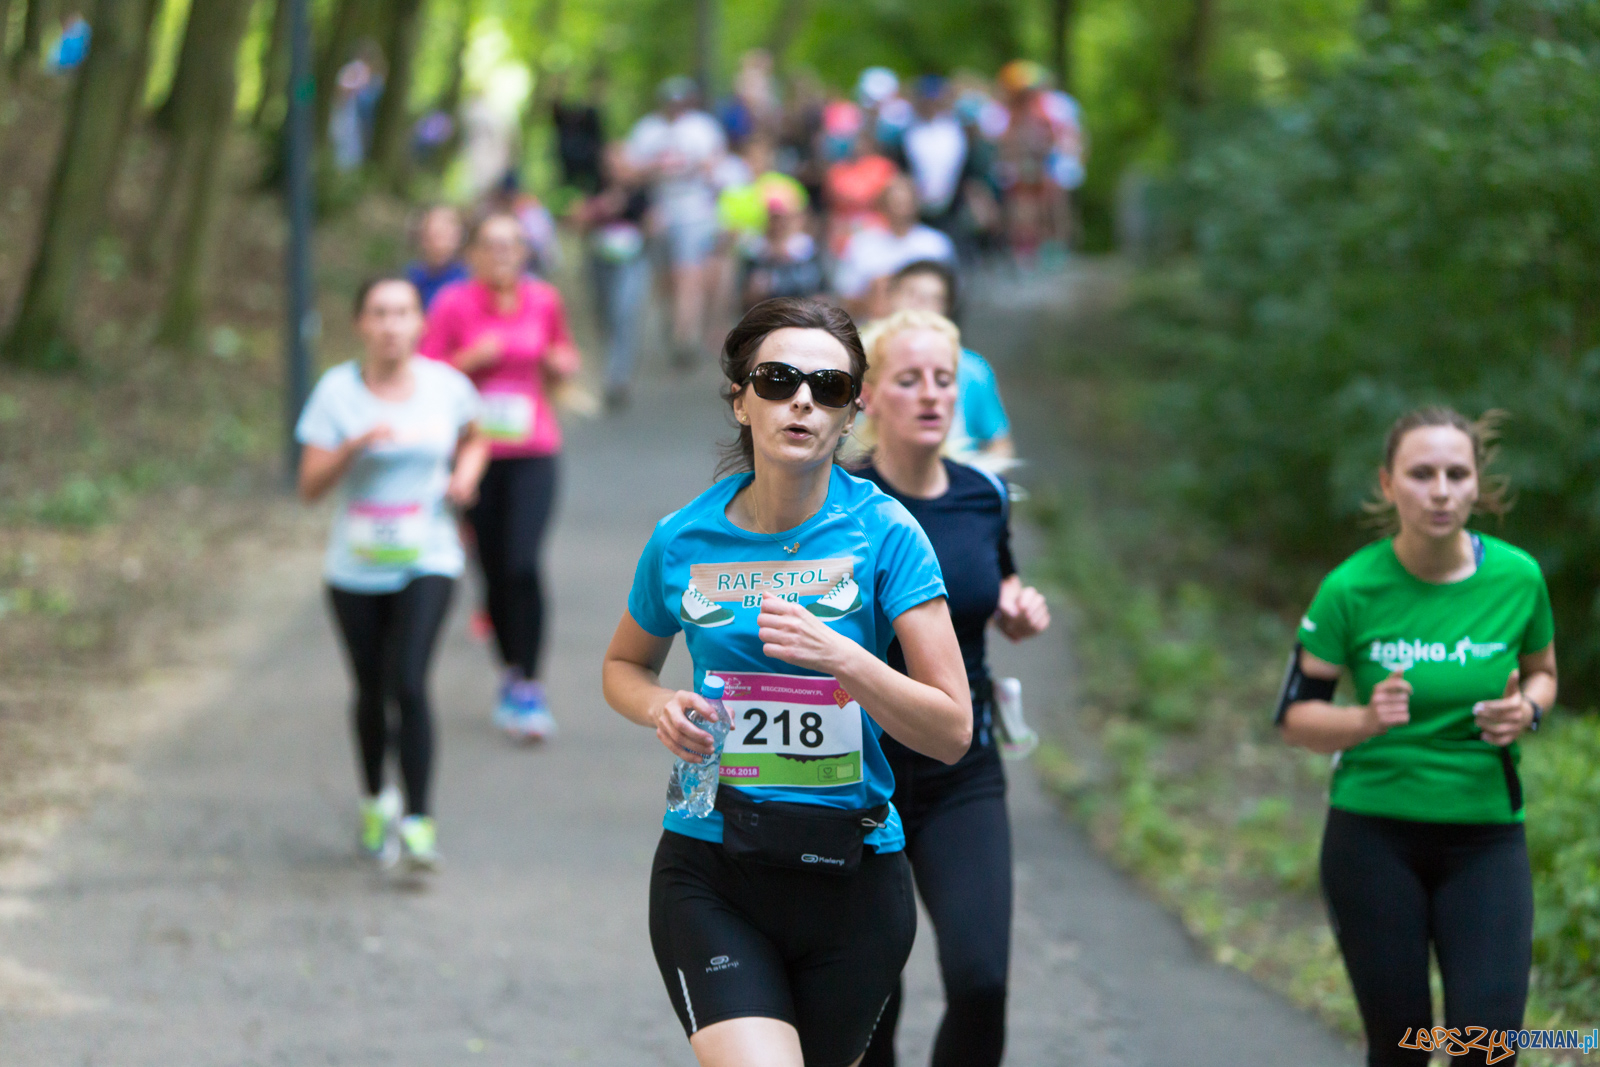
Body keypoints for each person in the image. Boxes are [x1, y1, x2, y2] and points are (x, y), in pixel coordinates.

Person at [602, 297, 973, 1067]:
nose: (802, 400)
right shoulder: (682, 537)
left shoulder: (886, 533)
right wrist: (661, 704)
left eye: (828, 387)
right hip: (711, 865)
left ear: (851, 414)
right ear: (741, 399)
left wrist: (845, 658)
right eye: (777, 380)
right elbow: (623, 666)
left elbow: (950, 728)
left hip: (852, 874)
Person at [1278, 407, 1555, 1067]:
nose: (1440, 491)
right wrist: (1364, 720)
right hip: (1374, 838)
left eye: (1457, 474)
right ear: (1387, 483)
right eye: (1421, 473)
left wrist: (1527, 710)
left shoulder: (1518, 578)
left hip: (1485, 837)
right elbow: (1294, 717)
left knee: (1486, 1049)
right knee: (1402, 1047)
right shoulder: (1351, 587)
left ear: (1477, 484)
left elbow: (1543, 674)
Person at [849, 310, 1049, 1067]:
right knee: (871, 998)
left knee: (981, 979)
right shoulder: (840, 503)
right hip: (856, 772)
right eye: (910, 379)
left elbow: (997, 578)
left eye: (944, 379)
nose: (932, 394)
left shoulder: (984, 494)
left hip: (961, 767)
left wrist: (1016, 606)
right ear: (869, 397)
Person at [295, 277, 489, 870]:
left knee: (409, 680)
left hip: (428, 555)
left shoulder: (446, 386)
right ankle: (376, 799)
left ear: (420, 323)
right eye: (379, 313)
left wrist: (466, 476)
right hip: (354, 566)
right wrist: (353, 445)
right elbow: (309, 487)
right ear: (360, 323)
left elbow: (476, 438)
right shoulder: (336, 393)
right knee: (371, 689)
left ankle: (419, 822)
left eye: (402, 312)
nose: (390, 325)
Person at [420, 212, 581, 740]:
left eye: (512, 244)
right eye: (491, 245)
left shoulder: (544, 299)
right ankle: (510, 670)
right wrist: (470, 358)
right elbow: (425, 376)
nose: (503, 254)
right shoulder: (452, 304)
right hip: (474, 455)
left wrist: (561, 363)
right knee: (492, 571)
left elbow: (563, 349)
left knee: (522, 563)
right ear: (472, 255)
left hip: (533, 449)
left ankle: (529, 683)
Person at [626, 76, 728, 366]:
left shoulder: (703, 128)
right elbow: (630, 171)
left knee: (688, 274)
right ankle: (673, 323)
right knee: (665, 278)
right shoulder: (647, 130)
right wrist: (656, 167)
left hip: (695, 211)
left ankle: (686, 336)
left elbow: (717, 168)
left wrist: (698, 165)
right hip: (659, 211)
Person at [884, 260, 1013, 463]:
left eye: (932, 298)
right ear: (890, 297)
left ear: (947, 308)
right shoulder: (861, 361)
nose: (919, 306)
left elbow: (1000, 444)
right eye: (911, 294)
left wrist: (973, 477)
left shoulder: (972, 369)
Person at [578, 144, 652, 411]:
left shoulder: (640, 192)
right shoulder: (594, 188)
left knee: (624, 315)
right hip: (599, 261)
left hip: (630, 261)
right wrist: (602, 208)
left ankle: (617, 378)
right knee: (605, 317)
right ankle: (609, 369)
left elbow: (652, 224)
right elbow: (579, 220)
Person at [833, 176, 955, 322]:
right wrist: (874, 297)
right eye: (894, 202)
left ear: (916, 204)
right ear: (882, 205)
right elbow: (845, 299)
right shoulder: (861, 243)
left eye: (905, 202)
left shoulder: (936, 245)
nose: (900, 209)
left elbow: (949, 297)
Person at [739, 185, 824, 311]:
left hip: (800, 308)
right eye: (774, 218)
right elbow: (744, 293)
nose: (779, 224)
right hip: (765, 309)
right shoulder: (755, 248)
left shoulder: (804, 247)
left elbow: (819, 288)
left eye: (784, 219)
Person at [405, 204, 470, 311]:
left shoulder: (470, 277)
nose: (438, 241)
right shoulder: (412, 277)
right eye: (433, 233)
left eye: (445, 233)